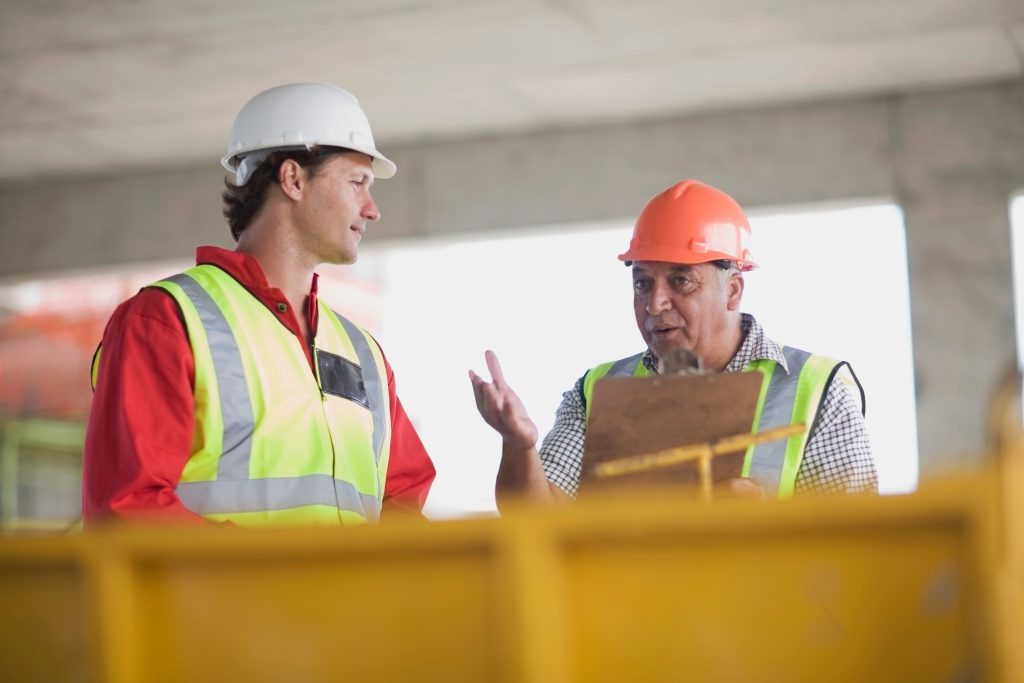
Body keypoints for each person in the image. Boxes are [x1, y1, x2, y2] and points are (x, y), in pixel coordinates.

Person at [83, 83, 435, 525]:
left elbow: (401, 504)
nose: (371, 209)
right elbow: (126, 509)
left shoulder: (363, 352)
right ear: (293, 179)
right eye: (356, 183)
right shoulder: (166, 320)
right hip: (223, 597)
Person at [470, 179, 877, 510]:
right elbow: (539, 523)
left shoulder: (817, 389)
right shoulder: (598, 390)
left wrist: (768, 524)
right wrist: (518, 445)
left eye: (681, 281)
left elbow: (856, 546)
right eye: (642, 283)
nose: (655, 302)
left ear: (733, 290)